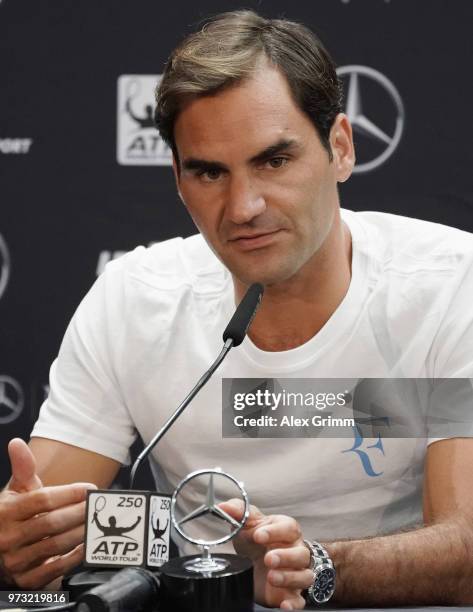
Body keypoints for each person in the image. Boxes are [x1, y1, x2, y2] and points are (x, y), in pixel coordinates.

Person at [1, 9, 473, 609]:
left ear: (341, 148)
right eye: (208, 172)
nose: (243, 206)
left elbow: (466, 548)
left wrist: (309, 567)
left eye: (274, 160)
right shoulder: (133, 298)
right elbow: (38, 532)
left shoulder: (452, 282)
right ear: (176, 176)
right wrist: (18, 542)